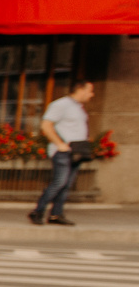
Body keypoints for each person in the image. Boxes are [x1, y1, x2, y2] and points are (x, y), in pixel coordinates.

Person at [31, 80, 96, 227]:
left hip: (76, 151)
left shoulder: (79, 108)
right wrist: (59, 144)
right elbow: (46, 125)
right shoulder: (61, 105)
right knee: (59, 182)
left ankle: (56, 214)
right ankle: (38, 211)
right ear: (80, 89)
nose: (92, 95)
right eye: (90, 91)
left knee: (66, 184)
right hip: (63, 152)